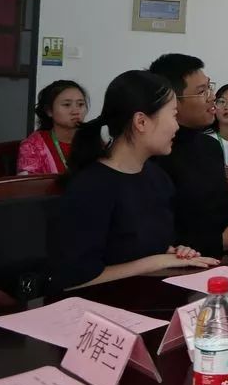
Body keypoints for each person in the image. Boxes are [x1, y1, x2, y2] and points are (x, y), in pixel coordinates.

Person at [52, 71, 218, 290]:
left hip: (152, 296)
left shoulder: (157, 178)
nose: (177, 126)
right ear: (141, 122)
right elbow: (74, 281)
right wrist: (157, 262)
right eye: (173, 115)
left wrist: (175, 253)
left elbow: (149, 247)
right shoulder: (90, 188)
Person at [148, 54, 228, 257]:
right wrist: (221, 242)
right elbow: (159, 239)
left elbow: (217, 209)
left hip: (224, 261)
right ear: (172, 101)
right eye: (201, 91)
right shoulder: (155, 155)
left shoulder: (210, 146)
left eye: (209, 87)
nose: (212, 97)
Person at [17, 80, 89, 175]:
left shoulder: (92, 138)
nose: (76, 111)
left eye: (80, 104)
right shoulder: (33, 146)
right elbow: (28, 183)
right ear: (49, 111)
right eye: (67, 105)